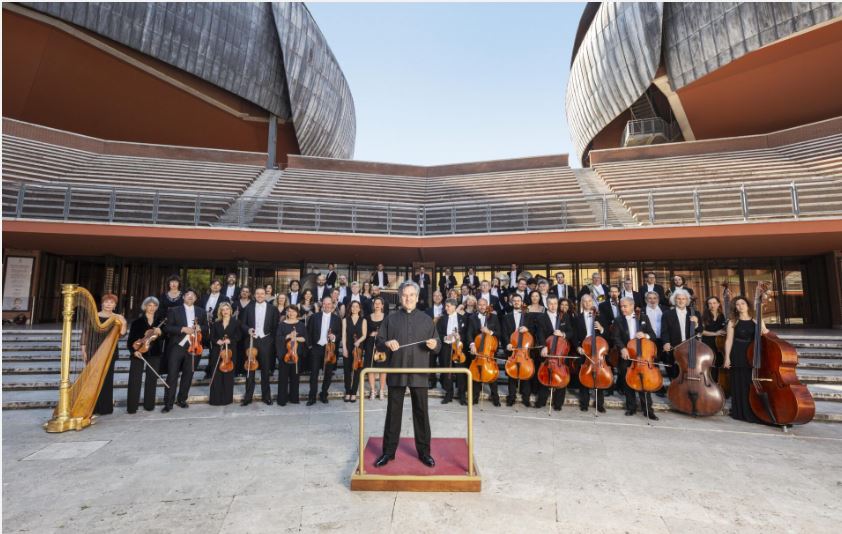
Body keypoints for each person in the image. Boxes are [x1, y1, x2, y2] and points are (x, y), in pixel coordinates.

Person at [374, 281, 440, 468]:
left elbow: (438, 344)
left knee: (421, 412)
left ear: (417, 298)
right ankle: (388, 452)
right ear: (400, 297)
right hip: (397, 370)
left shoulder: (427, 320)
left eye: (412, 295)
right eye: (405, 295)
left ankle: (425, 453)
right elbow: (379, 342)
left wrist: (435, 345)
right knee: (393, 413)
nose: (408, 298)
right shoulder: (391, 318)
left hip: (419, 372)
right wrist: (387, 343)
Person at [724, 295, 768, 423]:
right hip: (737, 353)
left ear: (748, 305)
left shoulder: (756, 319)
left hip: (752, 354)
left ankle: (753, 410)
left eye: (742, 303)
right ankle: (739, 412)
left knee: (750, 383)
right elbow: (728, 341)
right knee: (738, 383)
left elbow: (765, 333)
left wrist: (763, 329)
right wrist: (727, 358)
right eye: (737, 305)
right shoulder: (733, 321)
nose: (740, 306)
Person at [613, 297, 659, 420]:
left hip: (642, 356)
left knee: (644, 383)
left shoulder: (643, 318)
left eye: (625, 306)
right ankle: (631, 407)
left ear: (632, 306)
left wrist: (645, 335)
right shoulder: (618, 320)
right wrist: (622, 348)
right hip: (627, 355)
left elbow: (653, 335)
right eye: (621, 306)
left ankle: (648, 410)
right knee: (628, 382)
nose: (622, 309)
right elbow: (616, 337)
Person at [163, 289, 207, 413]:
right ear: (183, 297)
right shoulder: (174, 310)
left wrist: (200, 328)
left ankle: (182, 399)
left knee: (188, 375)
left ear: (196, 299)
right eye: (188, 295)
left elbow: (206, 328)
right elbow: (167, 328)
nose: (190, 297)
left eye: (193, 295)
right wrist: (182, 329)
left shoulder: (201, 311)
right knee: (172, 375)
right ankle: (168, 403)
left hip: (194, 347)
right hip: (177, 347)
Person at [240, 287, 279, 406]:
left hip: (266, 341)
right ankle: (248, 397)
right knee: (250, 369)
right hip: (252, 340)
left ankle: (266, 396)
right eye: (257, 293)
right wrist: (248, 330)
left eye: (262, 294)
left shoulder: (273, 309)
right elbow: (242, 324)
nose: (260, 295)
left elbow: (275, 326)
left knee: (265, 370)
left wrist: (270, 339)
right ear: (254, 295)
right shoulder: (248, 308)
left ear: (265, 295)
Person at [535, 295, 573, 411]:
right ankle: (541, 401)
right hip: (547, 350)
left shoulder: (564, 316)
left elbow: (571, 332)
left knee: (561, 376)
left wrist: (563, 334)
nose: (553, 306)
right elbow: (539, 333)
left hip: (560, 352)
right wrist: (543, 346)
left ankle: (558, 403)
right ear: (546, 304)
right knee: (544, 375)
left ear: (558, 304)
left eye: (555, 303)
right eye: (550, 303)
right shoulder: (541, 317)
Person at [126, 297, 163, 413]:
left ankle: (149, 405)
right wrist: (134, 351)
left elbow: (166, 337)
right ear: (145, 306)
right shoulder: (137, 322)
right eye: (149, 305)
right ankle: (132, 407)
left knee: (151, 380)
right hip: (139, 352)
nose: (152, 308)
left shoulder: (160, 322)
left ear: (157, 307)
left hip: (154, 353)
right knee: (134, 380)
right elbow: (130, 340)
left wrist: (161, 332)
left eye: (154, 306)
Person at [306, 296, 342, 405]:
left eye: (329, 304)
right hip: (316, 348)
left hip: (329, 349)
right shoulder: (314, 317)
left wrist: (334, 337)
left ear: (332, 305)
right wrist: (310, 346)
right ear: (322, 305)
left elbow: (339, 334)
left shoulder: (336, 319)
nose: (327, 306)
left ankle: (323, 394)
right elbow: (308, 332)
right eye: (325, 304)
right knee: (314, 374)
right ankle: (312, 397)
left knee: (328, 373)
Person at [661, 289, 701, 384]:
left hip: (691, 347)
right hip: (675, 346)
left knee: (690, 370)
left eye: (683, 299)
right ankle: (676, 393)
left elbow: (700, 331)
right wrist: (666, 342)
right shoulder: (667, 314)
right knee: (675, 373)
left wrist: (696, 324)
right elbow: (664, 331)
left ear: (687, 301)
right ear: (675, 300)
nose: (681, 301)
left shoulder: (695, 313)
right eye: (678, 298)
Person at [467, 297, 502, 406]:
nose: (482, 307)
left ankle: (495, 397)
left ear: (487, 306)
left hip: (489, 352)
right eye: (480, 305)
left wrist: (490, 332)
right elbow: (468, 334)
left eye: (484, 305)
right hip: (477, 351)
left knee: (492, 376)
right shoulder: (472, 317)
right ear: (477, 306)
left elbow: (499, 333)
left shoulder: (494, 317)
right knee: (476, 376)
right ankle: (474, 398)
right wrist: (472, 344)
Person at [575, 294, 606, 413]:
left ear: (592, 302)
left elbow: (607, 334)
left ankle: (599, 403)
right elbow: (575, 335)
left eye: (589, 301)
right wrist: (578, 347)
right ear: (582, 303)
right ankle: (584, 403)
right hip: (584, 349)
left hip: (598, 350)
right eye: (585, 301)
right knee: (584, 376)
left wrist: (602, 328)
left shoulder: (600, 316)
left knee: (599, 376)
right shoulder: (577, 318)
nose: (587, 303)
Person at [436, 298, 470, 405]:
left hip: (459, 348)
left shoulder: (463, 318)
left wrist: (460, 337)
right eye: (446, 306)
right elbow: (438, 334)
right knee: (447, 372)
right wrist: (446, 337)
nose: (446, 308)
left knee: (460, 373)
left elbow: (467, 334)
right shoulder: (442, 319)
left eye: (448, 306)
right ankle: (448, 395)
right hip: (446, 348)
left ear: (454, 307)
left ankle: (462, 396)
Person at [208, 302, 240, 406]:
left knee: (228, 375)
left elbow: (239, 336)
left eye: (227, 309)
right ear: (220, 311)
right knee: (217, 374)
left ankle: (226, 399)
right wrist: (217, 341)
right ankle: (215, 399)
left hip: (230, 352)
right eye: (223, 309)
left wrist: (230, 340)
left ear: (230, 311)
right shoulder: (216, 323)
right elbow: (211, 337)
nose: (225, 311)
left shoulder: (236, 322)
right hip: (217, 351)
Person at [502, 294, 531, 407]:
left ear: (522, 302)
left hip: (524, 350)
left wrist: (527, 329)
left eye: (518, 300)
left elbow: (533, 330)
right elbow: (504, 334)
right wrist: (507, 344)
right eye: (514, 301)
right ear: (511, 302)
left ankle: (526, 397)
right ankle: (511, 397)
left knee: (526, 373)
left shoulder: (528, 316)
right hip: (512, 350)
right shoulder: (506, 317)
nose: (516, 302)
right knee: (512, 374)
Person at [276, 305, 306, 406]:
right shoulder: (282, 324)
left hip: (296, 354)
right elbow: (278, 338)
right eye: (289, 311)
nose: (291, 313)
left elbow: (305, 338)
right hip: (284, 354)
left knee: (295, 377)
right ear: (286, 313)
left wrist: (296, 338)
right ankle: (282, 400)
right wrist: (288, 336)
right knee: (283, 378)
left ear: (297, 313)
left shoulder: (301, 325)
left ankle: (294, 398)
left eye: (293, 311)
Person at [342, 300, 368, 402]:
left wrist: (358, 341)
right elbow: (344, 335)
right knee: (347, 370)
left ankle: (353, 392)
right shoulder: (345, 320)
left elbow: (364, 335)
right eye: (353, 306)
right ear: (350, 308)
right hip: (348, 347)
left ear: (359, 308)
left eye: (357, 306)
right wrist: (344, 348)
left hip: (358, 348)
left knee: (357, 370)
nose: (354, 308)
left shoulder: (363, 320)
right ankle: (348, 391)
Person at [365, 297, 389, 401]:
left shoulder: (387, 317)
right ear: (373, 305)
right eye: (376, 303)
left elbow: (389, 332)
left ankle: (382, 390)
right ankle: (373, 390)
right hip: (371, 344)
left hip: (382, 344)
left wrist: (381, 334)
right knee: (371, 368)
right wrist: (370, 334)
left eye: (379, 303)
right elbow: (364, 333)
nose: (377, 305)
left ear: (382, 305)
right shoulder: (367, 317)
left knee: (382, 369)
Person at [702, 296, 728, 384]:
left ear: (718, 304)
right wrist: (715, 333)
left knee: (719, 363)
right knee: (710, 364)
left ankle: (719, 383)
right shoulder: (704, 316)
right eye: (710, 303)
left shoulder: (722, 315)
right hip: (708, 343)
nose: (712, 305)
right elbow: (701, 331)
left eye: (714, 303)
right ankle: (710, 383)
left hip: (720, 344)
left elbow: (723, 329)